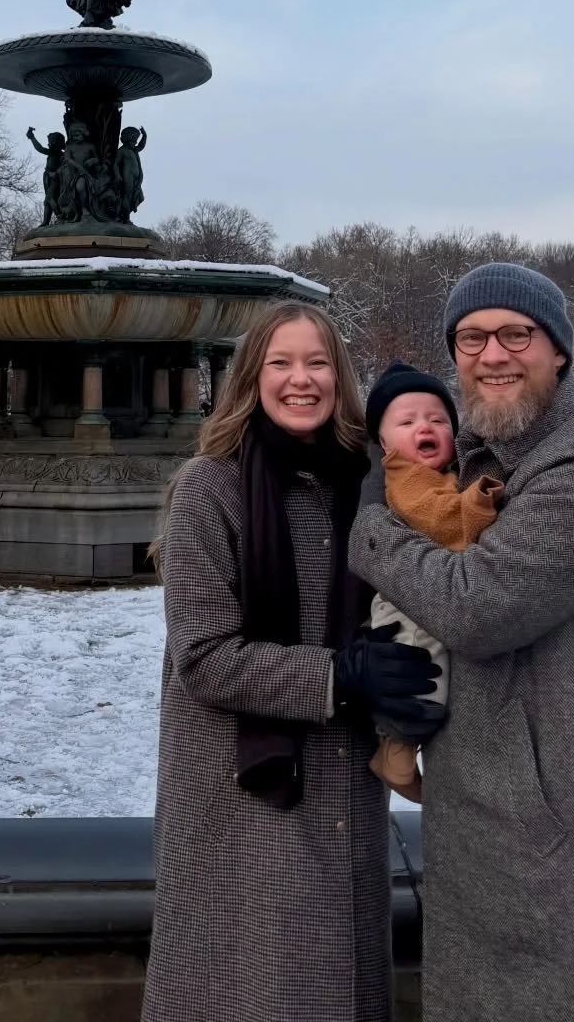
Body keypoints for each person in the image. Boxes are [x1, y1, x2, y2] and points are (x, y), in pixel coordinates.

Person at [351, 263, 574, 1022]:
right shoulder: (482, 455)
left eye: (515, 334)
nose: (492, 355)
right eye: (471, 338)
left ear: (559, 350)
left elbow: (477, 608)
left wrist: (372, 525)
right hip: (492, 827)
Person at [143, 302, 439, 1022]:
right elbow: (205, 658)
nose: (300, 380)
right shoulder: (209, 489)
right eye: (281, 363)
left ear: (339, 378)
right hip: (244, 795)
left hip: (348, 790)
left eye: (316, 363)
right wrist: (342, 677)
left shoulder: (369, 488)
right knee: (254, 991)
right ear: (252, 377)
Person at [362, 361, 503, 804]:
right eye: (407, 422)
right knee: (423, 677)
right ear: (384, 442)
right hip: (406, 610)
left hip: (424, 592)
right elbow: (443, 524)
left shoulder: (440, 474)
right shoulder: (404, 478)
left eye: (438, 420)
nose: (425, 427)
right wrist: (480, 502)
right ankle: (396, 751)